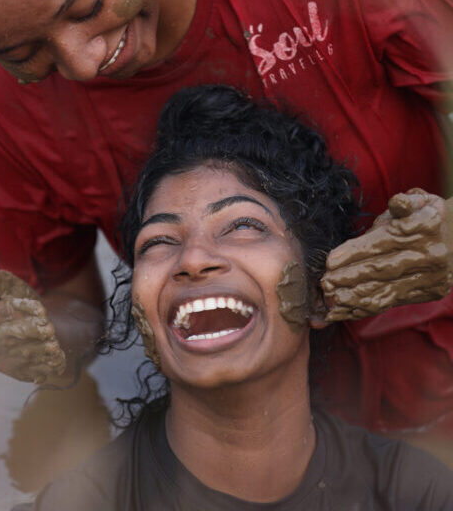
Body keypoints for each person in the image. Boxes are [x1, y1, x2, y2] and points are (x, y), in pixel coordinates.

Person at [0, 0, 453, 432]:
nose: (82, 64)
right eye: (24, 55)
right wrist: (48, 341)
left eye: (87, 6)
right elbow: (73, 310)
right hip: (250, 417)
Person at [28, 84, 453, 510]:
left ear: (321, 293)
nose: (192, 259)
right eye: (158, 241)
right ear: (142, 314)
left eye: (242, 226)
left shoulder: (413, 491)